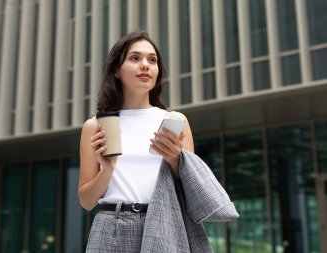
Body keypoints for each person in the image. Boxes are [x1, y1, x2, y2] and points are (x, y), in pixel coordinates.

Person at [78, 31, 238, 252]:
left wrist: (175, 160)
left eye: (152, 60)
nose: (145, 65)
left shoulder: (174, 120)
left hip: (165, 223)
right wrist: (107, 169)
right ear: (116, 69)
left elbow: (189, 192)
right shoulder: (96, 126)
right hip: (110, 226)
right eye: (135, 58)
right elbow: (86, 202)